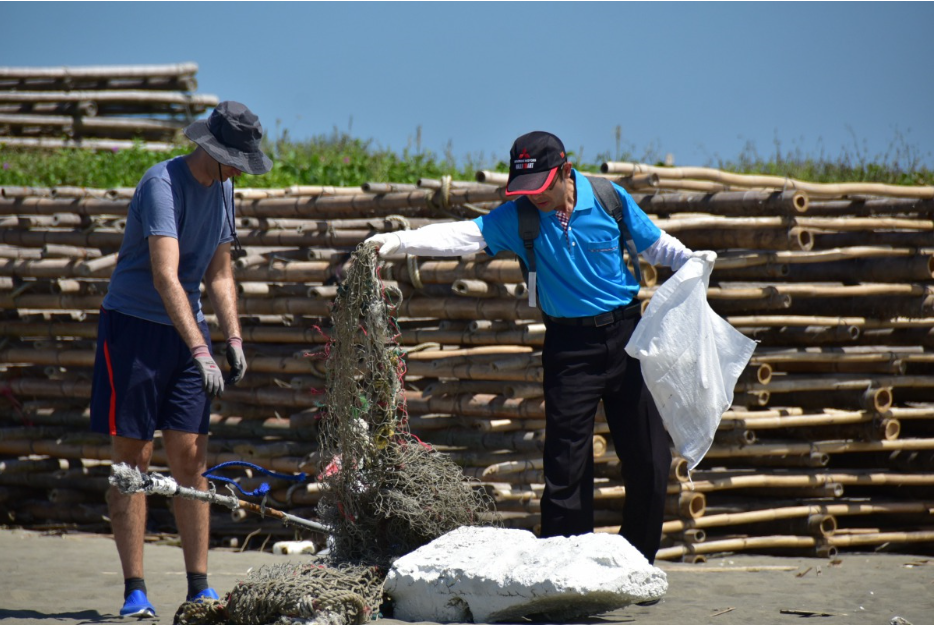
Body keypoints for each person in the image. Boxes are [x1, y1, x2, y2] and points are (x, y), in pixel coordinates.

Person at [366, 131, 712, 566]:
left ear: (566, 172)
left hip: (629, 340)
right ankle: (564, 571)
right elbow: (465, 236)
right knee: (566, 467)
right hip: (569, 348)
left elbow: (656, 245)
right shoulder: (520, 217)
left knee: (650, 458)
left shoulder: (608, 198)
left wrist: (693, 261)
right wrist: (401, 242)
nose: (535, 198)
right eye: (525, 190)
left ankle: (636, 563)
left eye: (542, 187)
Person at [89, 101, 272, 618]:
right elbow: (165, 276)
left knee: (190, 457)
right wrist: (200, 350)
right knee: (134, 459)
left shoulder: (226, 187)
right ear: (210, 150)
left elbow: (218, 273)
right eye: (235, 158)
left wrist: (230, 341)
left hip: (185, 332)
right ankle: (135, 591)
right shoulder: (161, 185)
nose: (240, 169)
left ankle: (199, 585)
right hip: (134, 329)